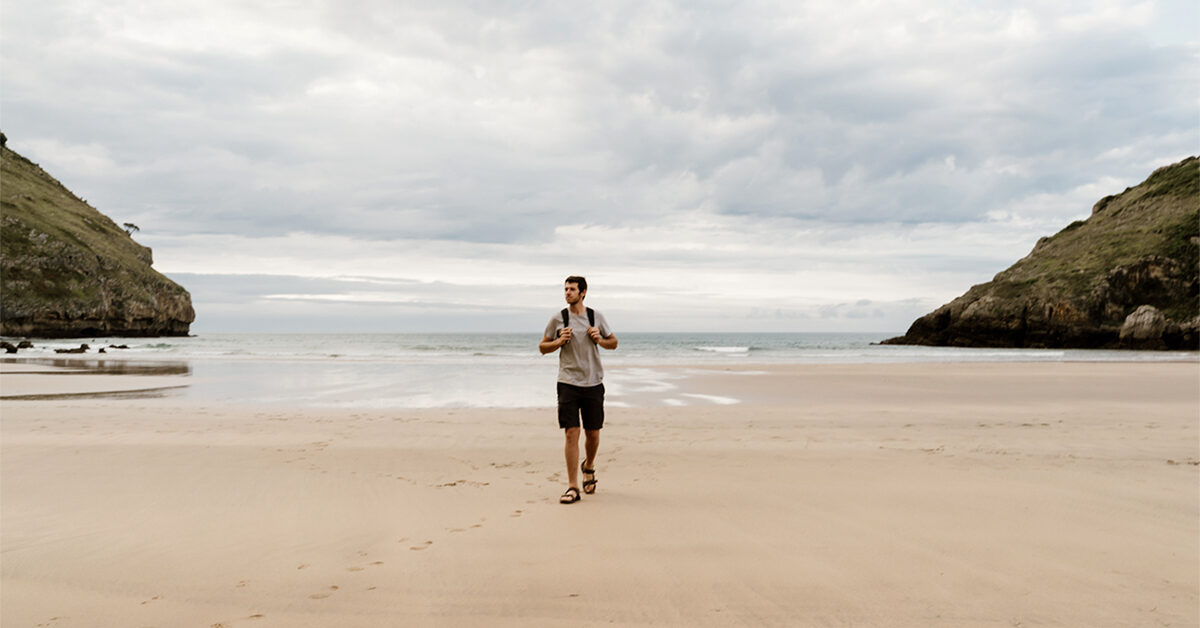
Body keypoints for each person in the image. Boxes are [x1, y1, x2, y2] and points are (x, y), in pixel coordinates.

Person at [539, 276, 618, 504]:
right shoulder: (558, 318)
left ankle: (589, 465)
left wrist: (600, 340)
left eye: (572, 289)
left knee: (593, 433)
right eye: (565, 289)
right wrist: (558, 342)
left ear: (583, 292)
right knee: (571, 432)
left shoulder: (596, 317)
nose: (567, 293)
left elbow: (614, 342)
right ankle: (572, 486)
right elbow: (542, 347)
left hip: (593, 383)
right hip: (567, 383)